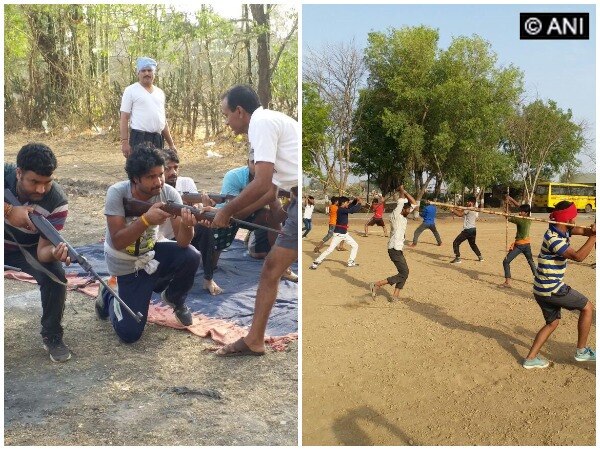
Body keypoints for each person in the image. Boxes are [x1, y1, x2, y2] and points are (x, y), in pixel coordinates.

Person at [205, 84, 298, 356]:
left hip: (301, 200)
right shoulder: (265, 123)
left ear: (240, 111)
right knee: (271, 268)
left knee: (271, 268)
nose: (226, 122)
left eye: (226, 115)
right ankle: (254, 339)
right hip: (295, 200)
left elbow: (262, 182)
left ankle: (255, 339)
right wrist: (233, 213)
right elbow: (270, 190)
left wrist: (225, 212)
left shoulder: (261, 123)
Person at [97, 143, 200, 343]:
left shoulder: (170, 193)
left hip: (151, 253)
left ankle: (174, 299)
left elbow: (182, 242)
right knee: (130, 334)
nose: (159, 181)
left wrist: (188, 225)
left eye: (160, 174)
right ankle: (109, 293)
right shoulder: (117, 193)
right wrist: (146, 220)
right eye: (151, 177)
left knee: (191, 255)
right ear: (135, 178)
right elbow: (118, 241)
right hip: (125, 265)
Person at [4, 143, 72, 362]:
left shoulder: (57, 202)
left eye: (47, 182)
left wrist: (55, 253)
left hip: (28, 249)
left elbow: (43, 252)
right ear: (18, 173)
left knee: (56, 276)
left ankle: (52, 335)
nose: (41, 190)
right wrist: (9, 211)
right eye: (34, 182)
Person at [522, 201, 596, 369]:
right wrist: (594, 236)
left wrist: (592, 230)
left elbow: (584, 231)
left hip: (540, 289)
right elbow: (578, 256)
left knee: (552, 323)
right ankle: (581, 351)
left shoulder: (565, 229)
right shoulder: (553, 239)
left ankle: (530, 359)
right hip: (552, 289)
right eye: (574, 218)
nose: (575, 221)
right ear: (568, 220)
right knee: (587, 308)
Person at [158, 149, 222, 295]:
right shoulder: (156, 189)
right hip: (161, 239)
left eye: (176, 167)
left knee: (206, 229)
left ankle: (208, 278)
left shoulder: (186, 183)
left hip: (183, 234)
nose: (173, 172)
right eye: (168, 168)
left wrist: (201, 209)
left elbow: (196, 210)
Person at [119, 57, 176, 158]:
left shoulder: (159, 93)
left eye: (149, 70)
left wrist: (171, 144)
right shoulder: (131, 90)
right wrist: (124, 142)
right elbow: (124, 117)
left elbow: (163, 121)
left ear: (154, 73)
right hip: (139, 139)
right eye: (143, 71)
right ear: (138, 73)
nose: (146, 73)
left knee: (157, 171)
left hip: (157, 139)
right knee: (139, 172)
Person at [369, 186, 417, 300]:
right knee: (404, 273)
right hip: (394, 249)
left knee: (404, 272)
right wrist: (401, 191)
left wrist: (404, 191)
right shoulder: (396, 215)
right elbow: (401, 202)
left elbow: (414, 203)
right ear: (402, 209)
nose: (410, 211)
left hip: (397, 249)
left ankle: (395, 295)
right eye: (408, 209)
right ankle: (377, 284)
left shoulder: (404, 216)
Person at [309, 196, 362, 269]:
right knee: (330, 250)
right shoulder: (340, 210)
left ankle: (350, 262)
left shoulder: (343, 208)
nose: (348, 204)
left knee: (355, 245)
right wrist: (359, 203)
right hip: (339, 234)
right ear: (343, 203)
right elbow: (352, 210)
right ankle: (316, 262)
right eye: (347, 202)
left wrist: (356, 200)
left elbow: (351, 206)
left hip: (344, 234)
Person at [500, 195, 537, 288]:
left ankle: (507, 282)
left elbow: (506, 215)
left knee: (506, 261)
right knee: (531, 261)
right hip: (527, 244)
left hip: (520, 245)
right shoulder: (529, 219)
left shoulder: (520, 220)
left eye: (521, 212)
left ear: (526, 213)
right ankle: (538, 279)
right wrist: (511, 199)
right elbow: (520, 207)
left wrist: (505, 204)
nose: (519, 212)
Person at [450, 196, 483, 263]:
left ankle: (458, 258)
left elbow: (460, 214)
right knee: (473, 244)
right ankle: (480, 257)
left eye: (468, 201)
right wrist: (456, 208)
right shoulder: (474, 208)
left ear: (472, 203)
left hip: (468, 230)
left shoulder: (469, 209)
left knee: (456, 243)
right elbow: (462, 210)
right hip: (473, 230)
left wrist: (453, 210)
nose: (467, 202)